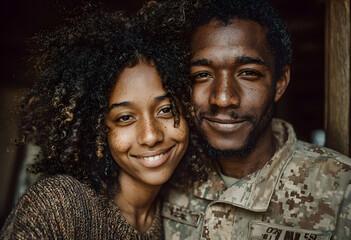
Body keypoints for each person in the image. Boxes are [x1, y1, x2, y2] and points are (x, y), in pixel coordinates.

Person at [0, 3, 208, 239]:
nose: (151, 136)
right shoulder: (60, 206)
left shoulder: (180, 221)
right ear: (99, 129)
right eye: (125, 118)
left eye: (166, 110)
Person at [160, 0, 351, 239]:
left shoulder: (341, 187)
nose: (223, 98)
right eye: (202, 75)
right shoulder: (164, 174)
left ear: (280, 82)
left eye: (248, 73)